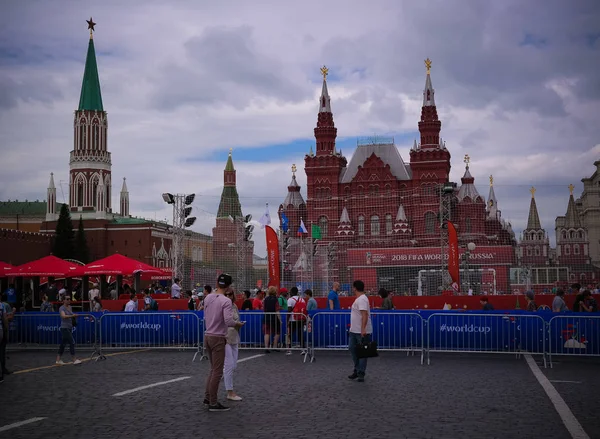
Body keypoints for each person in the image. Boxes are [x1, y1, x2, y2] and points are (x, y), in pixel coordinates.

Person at [203, 273, 244, 412]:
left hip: (208, 335)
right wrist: (237, 324)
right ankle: (213, 403)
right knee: (217, 372)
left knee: (213, 369)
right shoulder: (225, 301)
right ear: (228, 286)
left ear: (217, 283)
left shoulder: (208, 297)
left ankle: (208, 397)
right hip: (218, 337)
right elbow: (228, 321)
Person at [348, 280, 372, 383]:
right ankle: (357, 370)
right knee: (353, 349)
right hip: (354, 330)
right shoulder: (360, 299)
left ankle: (360, 372)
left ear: (355, 288)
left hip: (360, 331)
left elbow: (364, 315)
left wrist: (363, 329)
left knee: (362, 352)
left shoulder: (362, 299)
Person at [223, 288, 243, 401]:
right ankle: (230, 392)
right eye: (226, 294)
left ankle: (223, 373)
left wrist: (238, 324)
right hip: (225, 337)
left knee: (233, 365)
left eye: (230, 294)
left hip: (234, 336)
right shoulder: (224, 306)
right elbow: (227, 321)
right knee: (229, 365)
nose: (228, 296)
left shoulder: (234, 306)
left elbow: (236, 319)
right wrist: (237, 324)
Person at [55, 295, 82, 365]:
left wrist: (75, 316)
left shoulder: (70, 307)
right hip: (64, 328)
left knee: (63, 344)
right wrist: (72, 316)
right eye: (67, 299)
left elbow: (71, 314)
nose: (69, 300)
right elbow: (63, 316)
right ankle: (74, 359)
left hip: (69, 327)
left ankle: (58, 360)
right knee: (72, 342)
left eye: (69, 299)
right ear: (63, 300)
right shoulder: (61, 308)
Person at [263, 286, 281, 353]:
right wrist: (280, 319)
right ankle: (275, 346)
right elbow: (277, 310)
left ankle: (266, 347)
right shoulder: (276, 299)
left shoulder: (265, 299)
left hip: (266, 318)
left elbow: (264, 309)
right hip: (274, 318)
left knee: (267, 333)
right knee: (277, 332)